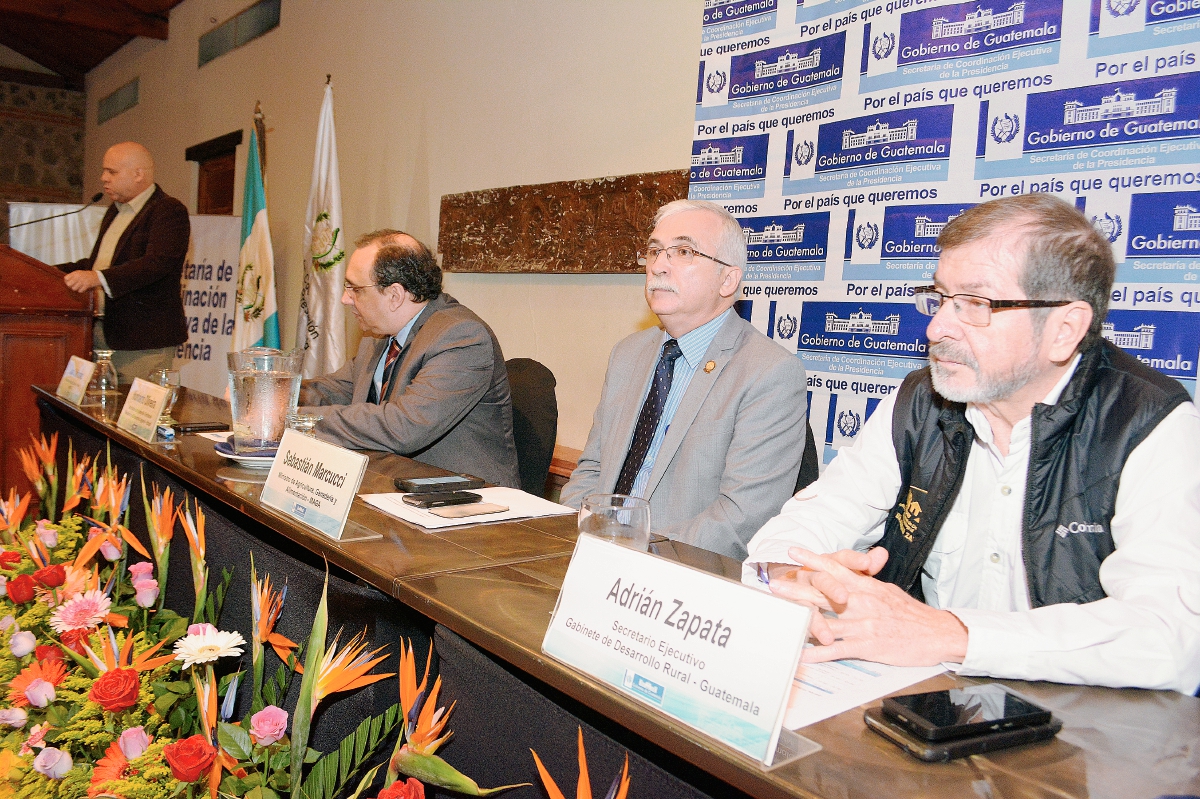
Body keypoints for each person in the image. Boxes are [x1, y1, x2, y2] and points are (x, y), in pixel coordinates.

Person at [744, 193, 1200, 694]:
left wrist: (950, 634)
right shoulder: (921, 400)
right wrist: (790, 577)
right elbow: (809, 522)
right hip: (925, 705)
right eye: (940, 299)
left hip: (1075, 732)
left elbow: (1174, 636)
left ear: (1064, 329)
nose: (937, 328)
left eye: (976, 305)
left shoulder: (1148, 422)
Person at [562, 199, 808, 560]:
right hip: (594, 556)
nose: (659, 266)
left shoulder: (769, 372)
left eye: (683, 251)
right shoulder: (628, 354)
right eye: (654, 251)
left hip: (683, 578)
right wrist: (574, 528)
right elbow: (594, 469)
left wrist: (633, 554)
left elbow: (740, 519)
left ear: (728, 280)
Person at [296, 230, 521, 488]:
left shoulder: (461, 337)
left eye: (354, 289)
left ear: (395, 296)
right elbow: (332, 390)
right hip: (391, 489)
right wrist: (268, 396)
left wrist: (294, 419)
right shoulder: (378, 336)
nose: (345, 299)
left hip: (462, 504)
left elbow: (402, 427)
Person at [58, 142, 189, 382]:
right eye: (104, 171)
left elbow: (157, 263)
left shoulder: (168, 210)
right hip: (102, 335)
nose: (103, 178)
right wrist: (49, 271)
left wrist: (97, 277)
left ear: (139, 174)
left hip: (143, 344)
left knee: (137, 418)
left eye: (112, 172)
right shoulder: (115, 211)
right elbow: (98, 263)